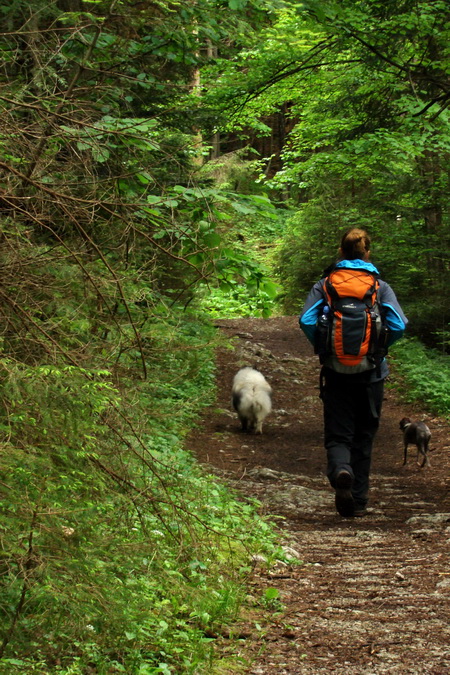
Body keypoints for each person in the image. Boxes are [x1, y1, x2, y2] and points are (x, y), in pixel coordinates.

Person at [299, 228, 407, 517]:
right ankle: (357, 500)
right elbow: (398, 326)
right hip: (371, 373)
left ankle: (341, 471)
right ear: (367, 252)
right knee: (364, 435)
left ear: (340, 251)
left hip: (335, 372)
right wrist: (379, 350)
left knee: (338, 435)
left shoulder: (325, 285)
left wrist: (325, 348)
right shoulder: (378, 286)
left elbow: (307, 320)